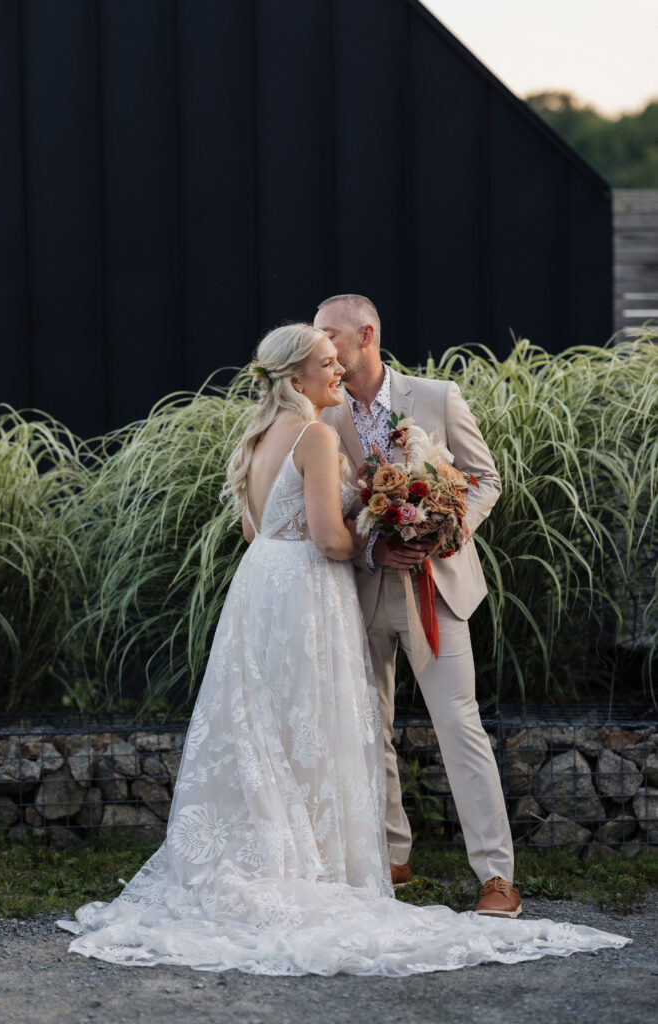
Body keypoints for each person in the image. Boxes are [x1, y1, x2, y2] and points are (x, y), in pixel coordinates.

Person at [58, 323, 628, 975]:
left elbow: (255, 529)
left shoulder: (251, 438)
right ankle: (316, 867)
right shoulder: (317, 434)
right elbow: (329, 539)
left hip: (261, 593)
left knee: (269, 730)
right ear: (296, 377)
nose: (337, 372)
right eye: (325, 364)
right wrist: (372, 542)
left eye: (338, 358)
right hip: (307, 590)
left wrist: (419, 519)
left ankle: (280, 860)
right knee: (315, 728)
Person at [316, 294, 514, 915]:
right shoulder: (319, 417)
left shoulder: (436, 397)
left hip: (437, 589)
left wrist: (448, 529)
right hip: (360, 588)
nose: (322, 347)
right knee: (368, 729)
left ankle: (497, 876)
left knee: (460, 726)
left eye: (330, 335)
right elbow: (329, 513)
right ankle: (390, 857)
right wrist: (372, 551)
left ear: (365, 334)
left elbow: (486, 480)